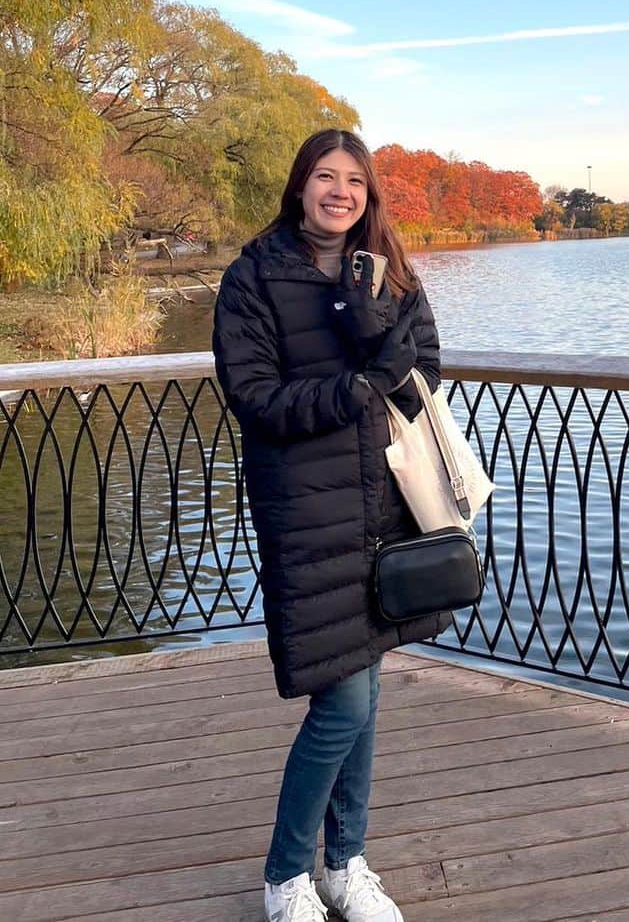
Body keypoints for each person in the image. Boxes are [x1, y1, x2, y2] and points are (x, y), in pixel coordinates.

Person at [212, 128, 450, 922]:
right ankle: (287, 873)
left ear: (369, 191)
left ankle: (345, 864)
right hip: (308, 512)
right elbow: (256, 400)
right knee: (344, 699)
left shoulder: (390, 271)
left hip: (385, 504)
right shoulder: (254, 276)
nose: (340, 192)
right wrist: (359, 387)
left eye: (354, 179)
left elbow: (422, 378)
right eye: (325, 176)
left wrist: (375, 333)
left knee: (368, 686)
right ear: (300, 186)